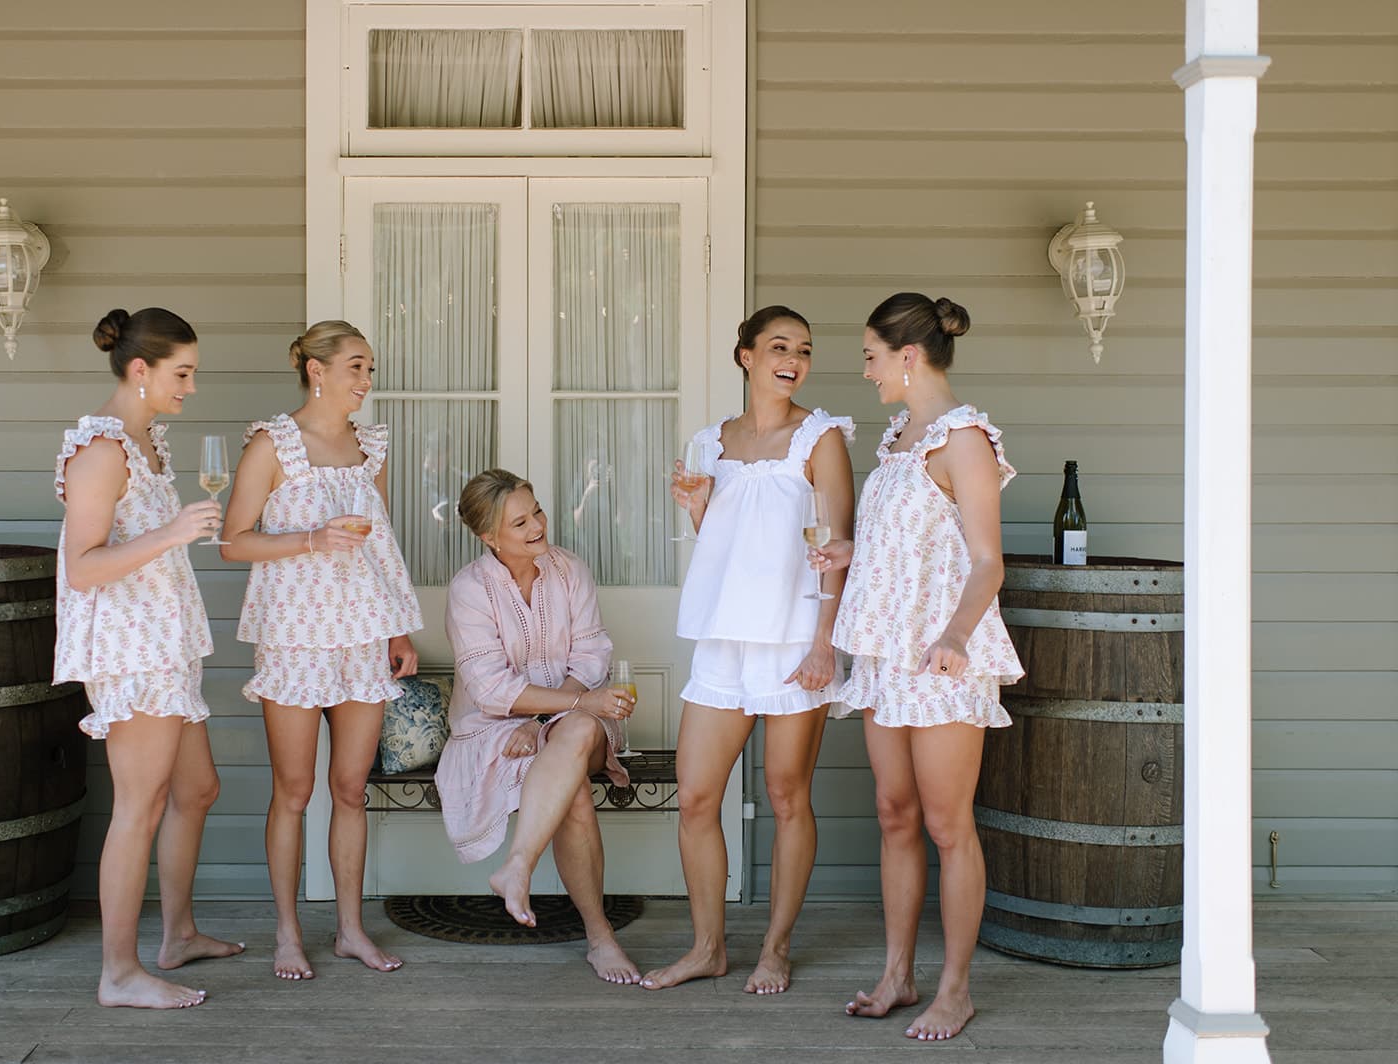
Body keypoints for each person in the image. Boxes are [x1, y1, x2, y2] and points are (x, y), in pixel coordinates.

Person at [814, 293, 1023, 1042]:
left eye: (871, 356)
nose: (866, 372)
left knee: (945, 823)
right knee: (893, 814)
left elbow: (986, 561)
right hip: (888, 656)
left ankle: (956, 989)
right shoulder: (899, 437)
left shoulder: (964, 438)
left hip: (942, 657)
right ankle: (898, 973)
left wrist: (959, 636)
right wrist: (850, 552)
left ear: (908, 355)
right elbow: (907, 547)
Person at [642, 305, 855, 995]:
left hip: (795, 638)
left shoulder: (820, 437)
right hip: (723, 640)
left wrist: (826, 643)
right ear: (746, 356)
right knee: (697, 798)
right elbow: (723, 549)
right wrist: (700, 505)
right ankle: (707, 947)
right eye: (778, 346)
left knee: (787, 796)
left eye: (804, 348)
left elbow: (835, 550)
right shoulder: (712, 442)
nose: (792, 358)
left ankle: (776, 947)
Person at [53, 307, 244, 1010]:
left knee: (196, 790)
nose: (191, 388)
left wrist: (172, 532)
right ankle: (119, 971)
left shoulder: (147, 440)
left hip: (165, 643)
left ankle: (179, 935)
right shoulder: (100, 451)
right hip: (129, 651)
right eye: (182, 373)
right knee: (139, 806)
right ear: (141, 370)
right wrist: (171, 533)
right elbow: (82, 568)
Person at [220, 320, 422, 979]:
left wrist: (398, 629)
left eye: (370, 369)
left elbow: (384, 546)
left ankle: (351, 931)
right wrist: (310, 541)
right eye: (357, 367)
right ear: (317, 370)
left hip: (362, 636)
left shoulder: (372, 448)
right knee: (295, 789)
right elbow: (234, 541)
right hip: (296, 636)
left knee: (351, 789)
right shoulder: (272, 444)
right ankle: (286, 932)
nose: (367, 381)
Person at [435, 469, 641, 985]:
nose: (537, 527)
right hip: (495, 729)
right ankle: (601, 937)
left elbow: (592, 652)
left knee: (573, 735)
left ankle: (517, 867)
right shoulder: (469, 590)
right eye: (519, 522)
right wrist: (542, 717)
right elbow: (489, 689)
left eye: (537, 512)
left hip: (577, 720)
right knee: (571, 788)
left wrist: (549, 716)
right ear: (489, 537)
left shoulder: (570, 570)